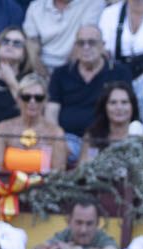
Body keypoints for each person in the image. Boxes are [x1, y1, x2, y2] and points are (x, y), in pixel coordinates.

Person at [46, 25, 133, 154]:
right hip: (67, 140)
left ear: (102, 45)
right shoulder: (61, 74)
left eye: (91, 42)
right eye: (81, 43)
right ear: (75, 47)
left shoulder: (119, 73)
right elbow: (51, 112)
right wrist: (59, 141)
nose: (86, 47)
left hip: (105, 140)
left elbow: (128, 110)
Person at [0, 73, 69, 172]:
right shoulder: (2, 129)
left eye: (38, 98)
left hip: (44, 182)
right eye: (26, 97)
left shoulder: (56, 133)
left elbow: (58, 174)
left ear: (45, 101)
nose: (32, 101)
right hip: (7, 182)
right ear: (18, 99)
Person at [0, 26, 42, 124]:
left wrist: (12, 82)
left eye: (17, 43)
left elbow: (32, 117)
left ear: (24, 53)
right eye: (5, 41)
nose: (10, 45)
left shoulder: (31, 81)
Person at [28, 196, 120, 249]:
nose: (83, 230)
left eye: (89, 224)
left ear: (97, 223)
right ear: (69, 221)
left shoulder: (102, 238)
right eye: (79, 223)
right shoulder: (65, 234)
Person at [24, 0, 105, 72]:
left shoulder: (93, 3)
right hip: (42, 67)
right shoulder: (36, 6)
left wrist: (64, 75)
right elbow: (32, 45)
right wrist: (43, 75)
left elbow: (84, 38)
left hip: (75, 66)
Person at [79, 81, 139, 164]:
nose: (119, 107)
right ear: (104, 107)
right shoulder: (94, 137)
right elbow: (85, 166)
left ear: (133, 106)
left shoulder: (141, 135)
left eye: (124, 102)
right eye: (113, 102)